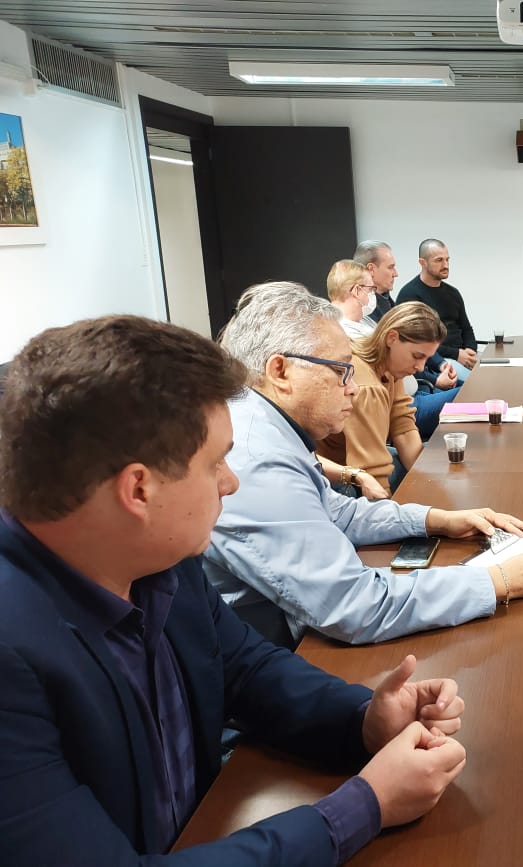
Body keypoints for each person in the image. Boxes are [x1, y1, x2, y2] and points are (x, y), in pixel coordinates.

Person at [0, 315, 470, 865]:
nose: (231, 481)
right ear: (138, 489)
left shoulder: (157, 558)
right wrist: (366, 806)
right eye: (215, 462)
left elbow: (245, 669)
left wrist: (364, 720)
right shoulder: (12, 654)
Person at [206, 283, 523, 648]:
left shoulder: (267, 427)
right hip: (273, 659)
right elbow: (355, 606)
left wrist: (435, 520)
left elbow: (339, 515)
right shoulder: (258, 459)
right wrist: (499, 580)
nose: (353, 387)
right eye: (341, 370)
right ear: (280, 371)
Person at [329, 257, 460, 445]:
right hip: (408, 403)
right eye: (371, 290)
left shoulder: (366, 326)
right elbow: (371, 462)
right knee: (469, 393)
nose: (395, 273)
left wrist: (439, 364)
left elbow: (402, 423)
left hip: (410, 397)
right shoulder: (350, 345)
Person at [317, 301, 442, 496]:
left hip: (359, 464)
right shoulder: (366, 386)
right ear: (392, 338)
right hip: (336, 478)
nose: (420, 367)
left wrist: (428, 482)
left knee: (435, 463)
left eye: (426, 358)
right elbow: (372, 474)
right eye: (417, 356)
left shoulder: (389, 367)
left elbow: (403, 426)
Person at [396, 239, 478, 380]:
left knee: (494, 375)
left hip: (463, 355)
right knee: (476, 383)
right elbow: (416, 343)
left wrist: (470, 350)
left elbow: (466, 328)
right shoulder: (410, 295)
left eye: (447, 260)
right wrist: (456, 354)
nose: (445, 265)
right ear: (423, 262)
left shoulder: (453, 293)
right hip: (439, 361)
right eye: (439, 260)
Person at [328, 258, 379, 340]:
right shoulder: (343, 333)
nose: (373, 294)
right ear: (357, 291)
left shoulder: (362, 319)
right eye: (370, 289)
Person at [354, 239, 399, 323]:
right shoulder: (360, 311)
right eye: (390, 267)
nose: (396, 274)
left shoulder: (387, 301)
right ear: (371, 269)